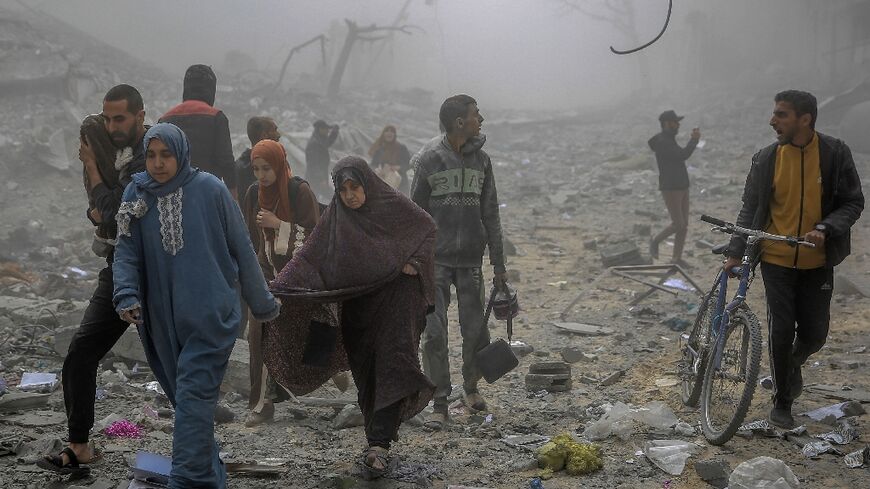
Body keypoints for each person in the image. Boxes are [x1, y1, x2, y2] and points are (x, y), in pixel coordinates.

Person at [112, 123, 280, 488]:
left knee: (192, 395)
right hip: (162, 320)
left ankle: (185, 480)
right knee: (188, 402)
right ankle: (209, 478)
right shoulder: (137, 193)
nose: (158, 163)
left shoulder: (210, 189)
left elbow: (242, 248)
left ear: (181, 154)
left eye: (166, 155)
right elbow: (125, 252)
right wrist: (125, 293)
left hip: (210, 314)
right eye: (152, 155)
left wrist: (262, 303)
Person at [263, 156, 436, 479]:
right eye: (342, 190)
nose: (350, 195)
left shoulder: (392, 205)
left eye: (355, 187)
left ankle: (378, 444)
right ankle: (377, 435)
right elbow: (309, 257)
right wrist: (280, 287)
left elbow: (425, 227)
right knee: (366, 372)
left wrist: (414, 260)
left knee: (393, 362)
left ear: (367, 184)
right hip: (359, 308)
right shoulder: (336, 219)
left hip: (397, 302)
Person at [723, 90, 864, 428]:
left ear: (805, 119)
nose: (773, 121)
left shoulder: (834, 153)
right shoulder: (766, 158)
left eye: (782, 114)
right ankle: (783, 401)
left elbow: (852, 202)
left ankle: (792, 364)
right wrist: (734, 251)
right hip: (776, 259)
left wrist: (826, 227)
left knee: (815, 334)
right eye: (775, 114)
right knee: (781, 330)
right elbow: (750, 208)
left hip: (819, 261)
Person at [37, 85, 147, 477]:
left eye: (120, 118)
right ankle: (79, 445)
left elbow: (115, 209)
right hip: (120, 267)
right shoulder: (115, 153)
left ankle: (195, 450)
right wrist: (99, 206)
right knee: (82, 353)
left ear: (139, 115)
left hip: (157, 272)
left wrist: (93, 171)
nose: (113, 125)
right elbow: (102, 210)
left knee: (176, 362)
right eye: (108, 118)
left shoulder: (152, 153)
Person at [410, 94, 507, 430]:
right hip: (434, 262)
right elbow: (415, 215)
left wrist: (499, 264)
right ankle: (439, 401)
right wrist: (412, 261)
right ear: (459, 123)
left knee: (475, 330)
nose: (482, 119)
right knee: (434, 333)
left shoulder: (482, 161)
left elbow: (490, 213)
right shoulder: (428, 159)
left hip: (470, 262)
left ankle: (471, 388)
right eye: (476, 115)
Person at [241, 139, 319, 427]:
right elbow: (249, 237)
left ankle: (329, 371)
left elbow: (315, 238)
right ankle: (262, 404)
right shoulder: (252, 194)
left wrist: (278, 225)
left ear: (280, 165)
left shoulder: (299, 192)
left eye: (267, 168)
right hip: (266, 275)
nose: (262, 176)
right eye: (256, 169)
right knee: (258, 334)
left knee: (304, 336)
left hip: (299, 278)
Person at [160, 64, 237, 199]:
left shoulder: (165, 119)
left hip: (172, 197)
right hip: (208, 195)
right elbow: (226, 161)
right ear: (211, 89)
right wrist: (234, 195)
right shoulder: (217, 117)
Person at [648, 110, 700, 267]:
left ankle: (676, 259)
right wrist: (693, 141)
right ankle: (655, 241)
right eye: (675, 122)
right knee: (678, 223)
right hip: (671, 187)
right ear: (667, 123)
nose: (678, 125)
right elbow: (682, 155)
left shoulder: (669, 138)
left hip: (682, 185)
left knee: (684, 225)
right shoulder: (663, 142)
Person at [236, 116, 280, 197]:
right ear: (264, 135)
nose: (279, 135)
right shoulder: (246, 169)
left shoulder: (239, 165)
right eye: (275, 130)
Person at [369, 125, 411, 194]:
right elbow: (373, 164)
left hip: (401, 183)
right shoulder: (379, 149)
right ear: (383, 134)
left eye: (392, 131)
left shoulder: (401, 148)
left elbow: (409, 164)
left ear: (394, 135)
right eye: (387, 131)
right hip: (384, 181)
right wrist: (377, 170)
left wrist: (399, 167)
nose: (389, 133)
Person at [305, 119, 339, 199]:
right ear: (320, 129)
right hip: (315, 178)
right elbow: (313, 164)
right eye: (326, 129)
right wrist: (321, 179)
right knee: (328, 198)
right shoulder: (314, 143)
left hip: (320, 176)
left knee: (321, 199)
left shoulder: (320, 139)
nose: (328, 131)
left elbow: (328, 142)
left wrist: (334, 132)